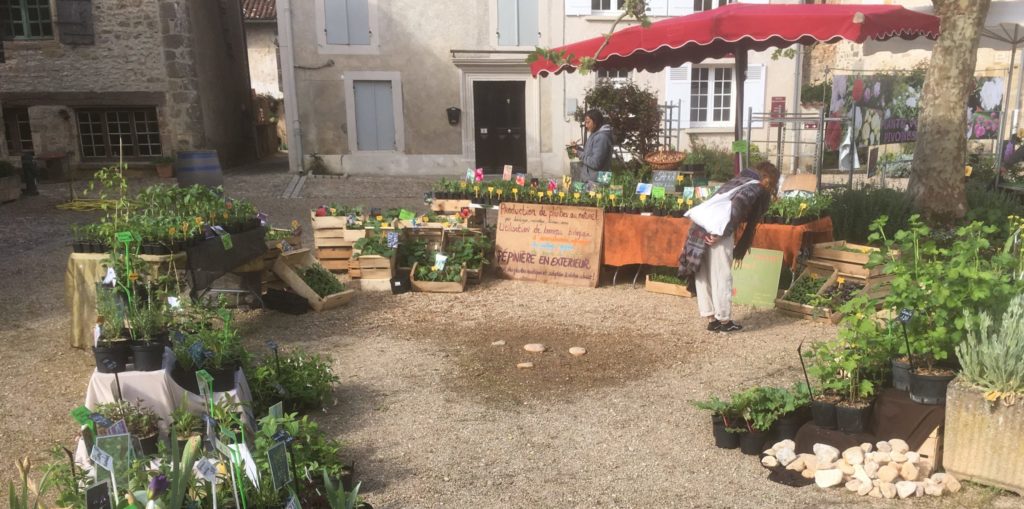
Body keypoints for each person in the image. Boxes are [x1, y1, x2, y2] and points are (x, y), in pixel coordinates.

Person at [678, 162, 780, 332]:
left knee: (703, 274)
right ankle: (724, 321)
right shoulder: (754, 187)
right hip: (718, 230)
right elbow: (737, 207)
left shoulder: (737, 180)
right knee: (721, 275)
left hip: (699, 228)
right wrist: (721, 233)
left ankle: (712, 319)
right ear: (768, 178)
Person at [572, 109, 614, 182]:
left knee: (599, 193)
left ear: (596, 122)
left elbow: (595, 163)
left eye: (588, 122)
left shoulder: (602, 137)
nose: (586, 125)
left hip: (598, 181)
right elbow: (589, 154)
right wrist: (578, 149)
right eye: (585, 122)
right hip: (591, 179)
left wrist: (579, 154)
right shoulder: (594, 134)